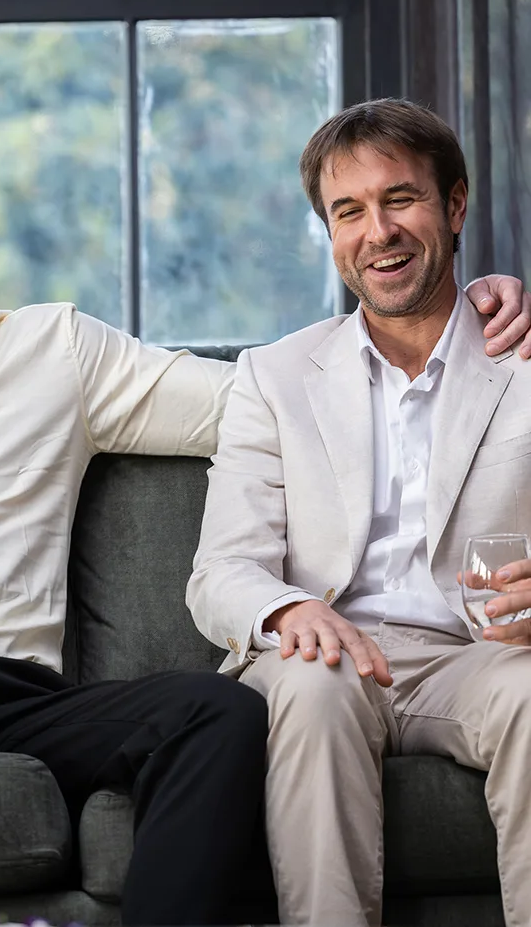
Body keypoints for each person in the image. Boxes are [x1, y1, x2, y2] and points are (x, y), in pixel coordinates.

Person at [0, 122, 529, 923]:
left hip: (19, 693)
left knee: (217, 710)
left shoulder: (58, 351)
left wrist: (454, 321)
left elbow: (274, 397)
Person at [187, 97, 531, 926]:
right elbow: (221, 571)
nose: (378, 231)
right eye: (349, 211)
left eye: (401, 198)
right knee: (314, 685)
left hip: (479, 654)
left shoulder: (521, 354)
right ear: (330, 230)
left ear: (454, 204)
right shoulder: (274, 375)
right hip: (328, 651)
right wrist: (288, 609)